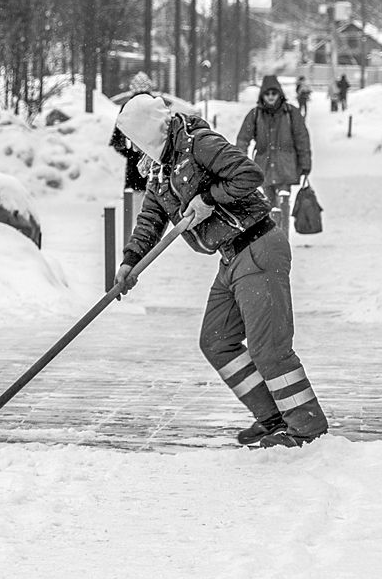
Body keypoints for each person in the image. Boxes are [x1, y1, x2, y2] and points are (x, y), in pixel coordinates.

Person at [110, 93, 329, 448]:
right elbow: (151, 218)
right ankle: (273, 418)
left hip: (257, 246)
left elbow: (247, 173)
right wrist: (129, 262)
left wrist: (208, 198)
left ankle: (306, 429)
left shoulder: (199, 144)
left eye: (135, 138)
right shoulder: (159, 171)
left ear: (148, 131)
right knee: (216, 340)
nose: (133, 147)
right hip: (230, 256)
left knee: (269, 348)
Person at [235, 75, 312, 228]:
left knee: (283, 203)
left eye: (274, 93)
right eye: (267, 93)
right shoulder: (255, 114)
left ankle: (283, 239)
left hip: (286, 167)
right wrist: (240, 164)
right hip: (263, 168)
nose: (270, 97)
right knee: (268, 206)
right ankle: (274, 242)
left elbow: (302, 139)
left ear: (279, 94)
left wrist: (305, 163)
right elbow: (243, 139)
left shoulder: (291, 113)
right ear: (262, 95)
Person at [109, 72, 157, 192]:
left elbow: (116, 140)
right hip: (155, 169)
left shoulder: (127, 107)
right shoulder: (156, 105)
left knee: (133, 205)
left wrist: (131, 153)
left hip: (134, 172)